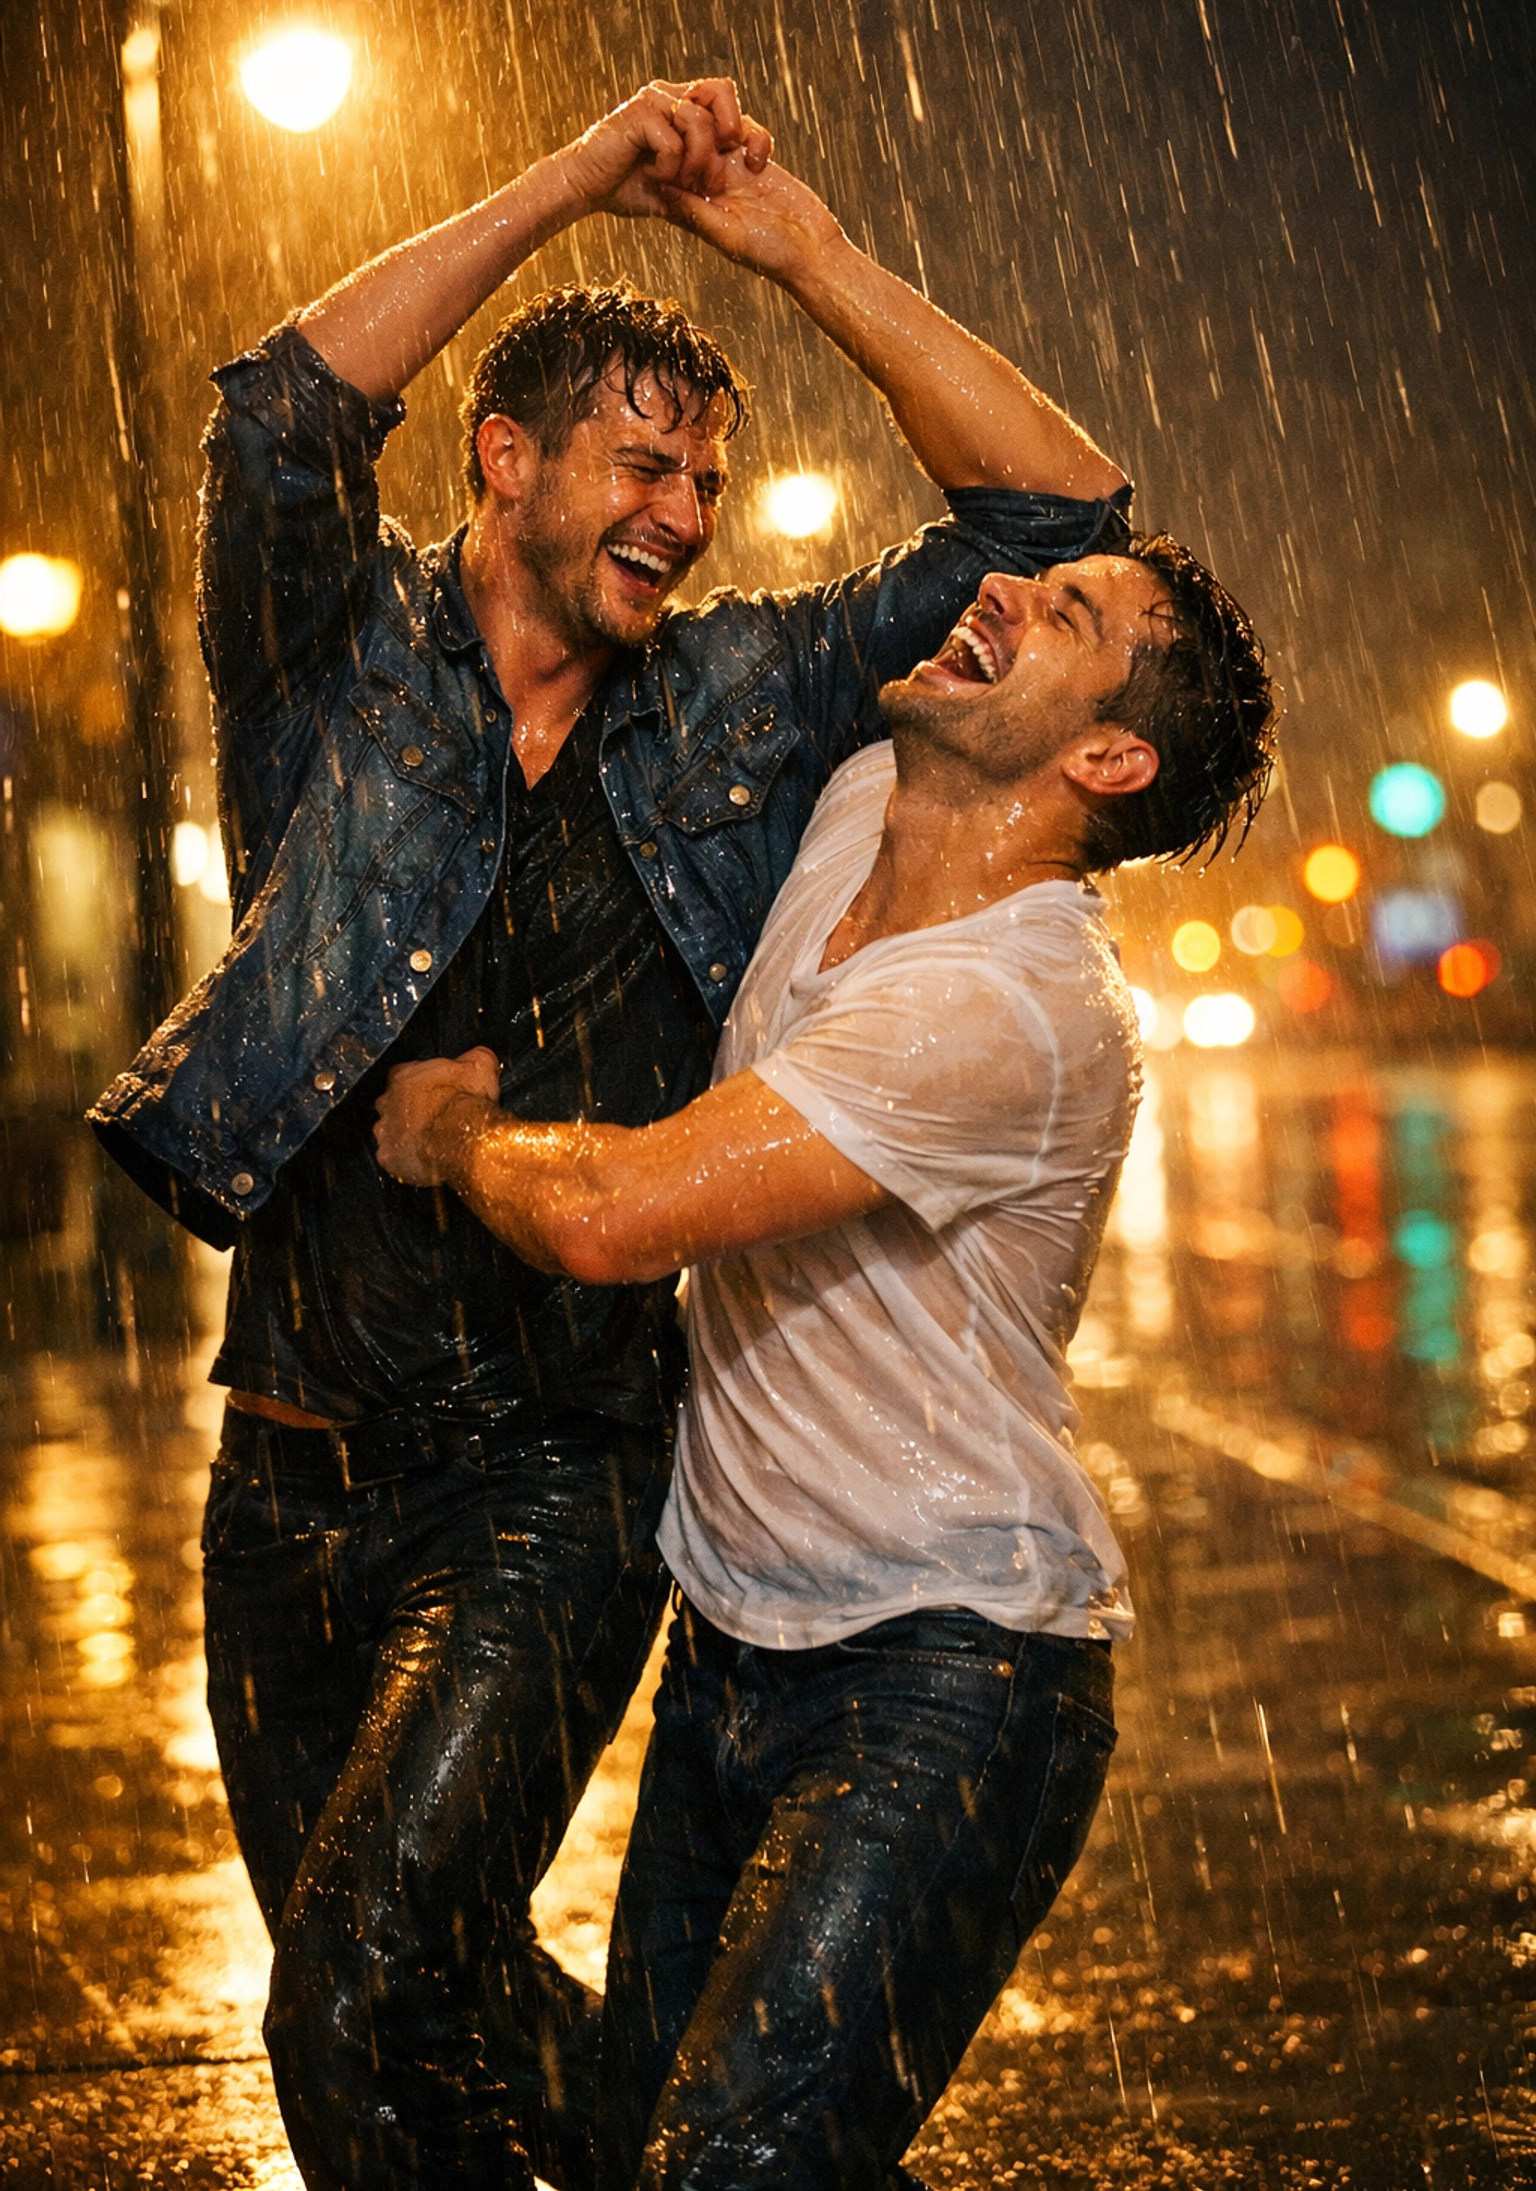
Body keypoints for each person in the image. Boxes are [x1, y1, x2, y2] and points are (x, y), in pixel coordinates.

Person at [88, 76, 1141, 2191]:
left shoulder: (741, 697)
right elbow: (284, 409)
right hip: (282, 1458)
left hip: (557, 1473)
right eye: (642, 461)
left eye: (707, 478)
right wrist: (582, 171)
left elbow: (1057, 518)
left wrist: (796, 250)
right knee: (425, 2001)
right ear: (507, 460)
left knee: (359, 1985)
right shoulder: (336, 661)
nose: (685, 508)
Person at [373, 535, 1274, 2189]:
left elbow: (618, 1217)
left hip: (948, 1676)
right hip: (740, 1648)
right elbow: (1033, 491)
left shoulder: (1008, 1005)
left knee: (733, 2168)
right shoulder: (865, 794)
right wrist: (802, 254)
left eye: (1062, 613)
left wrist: (458, 1135)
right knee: (681, 2153)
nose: (999, 596)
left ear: (1108, 762)